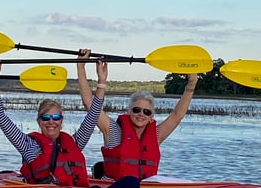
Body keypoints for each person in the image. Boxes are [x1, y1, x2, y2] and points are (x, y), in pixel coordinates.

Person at [0, 57, 140, 188]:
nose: (51, 122)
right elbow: (1, 117)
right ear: (39, 121)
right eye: (46, 117)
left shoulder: (74, 142)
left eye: (55, 117)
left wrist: (101, 82)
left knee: (131, 182)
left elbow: (93, 115)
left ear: (61, 121)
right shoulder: (28, 145)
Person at [77, 50, 198, 181]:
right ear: (129, 112)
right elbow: (90, 104)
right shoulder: (113, 131)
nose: (141, 114)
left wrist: (191, 84)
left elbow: (177, 115)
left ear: (151, 116)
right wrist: (81, 66)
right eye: (136, 110)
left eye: (146, 112)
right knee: (130, 183)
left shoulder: (156, 135)